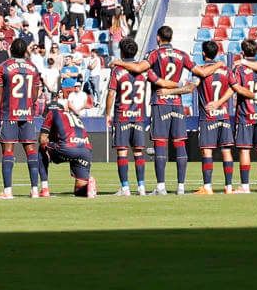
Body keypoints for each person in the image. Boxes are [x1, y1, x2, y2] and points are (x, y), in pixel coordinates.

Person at [146, 24, 196, 196]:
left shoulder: (154, 54)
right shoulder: (182, 55)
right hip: (176, 103)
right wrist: (181, 85)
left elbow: (150, 75)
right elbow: (196, 72)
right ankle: (181, 186)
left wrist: (167, 86)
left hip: (160, 102)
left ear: (158, 38)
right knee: (179, 143)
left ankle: (161, 187)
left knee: (160, 143)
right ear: (171, 38)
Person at [0, 35, 46, 199]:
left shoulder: (4, 67)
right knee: (31, 149)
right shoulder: (33, 68)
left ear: (10, 50)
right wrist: (28, 104)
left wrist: (3, 109)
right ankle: (35, 190)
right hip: (28, 113)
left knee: (8, 150)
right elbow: (36, 93)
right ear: (25, 51)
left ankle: (8, 191)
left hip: (10, 113)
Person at [104, 37, 152, 196]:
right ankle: (141, 187)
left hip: (122, 115)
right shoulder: (143, 70)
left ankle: (125, 188)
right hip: (138, 115)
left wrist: (107, 113)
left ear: (122, 52)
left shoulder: (117, 70)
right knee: (138, 152)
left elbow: (111, 93)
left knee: (122, 152)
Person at [229, 39, 257, 195]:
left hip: (245, 114)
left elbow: (237, 88)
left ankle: (245, 186)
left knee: (245, 150)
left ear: (242, 52)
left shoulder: (240, 68)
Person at [38, 80, 96, 198]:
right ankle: (88, 185)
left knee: (41, 149)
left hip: (68, 148)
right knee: (79, 192)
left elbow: (42, 139)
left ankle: (44, 189)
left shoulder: (52, 113)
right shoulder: (72, 116)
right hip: (86, 150)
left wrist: (49, 142)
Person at [193, 41, 234, 196]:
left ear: (204, 53)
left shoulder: (200, 70)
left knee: (207, 151)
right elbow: (233, 88)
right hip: (223, 115)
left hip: (207, 116)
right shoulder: (226, 70)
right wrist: (220, 102)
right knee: (226, 150)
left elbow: (193, 85)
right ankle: (229, 187)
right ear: (217, 53)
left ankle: (208, 187)